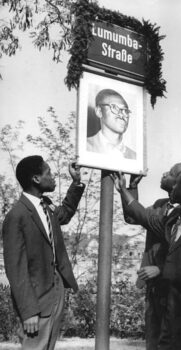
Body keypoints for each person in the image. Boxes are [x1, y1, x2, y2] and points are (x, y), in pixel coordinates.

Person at [114, 165, 181, 350]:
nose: (165, 173)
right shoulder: (170, 214)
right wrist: (126, 190)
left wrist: (160, 269)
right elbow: (139, 216)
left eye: (173, 175)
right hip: (157, 289)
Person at [2, 155, 85, 350]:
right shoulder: (17, 215)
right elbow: (16, 269)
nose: (53, 176)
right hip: (35, 297)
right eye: (48, 172)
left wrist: (76, 182)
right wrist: (28, 310)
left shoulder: (47, 206)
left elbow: (66, 212)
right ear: (36, 179)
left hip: (55, 290)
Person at [87, 89, 136, 159]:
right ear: (99, 111)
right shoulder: (85, 147)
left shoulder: (134, 157)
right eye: (114, 108)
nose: (122, 115)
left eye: (125, 111)